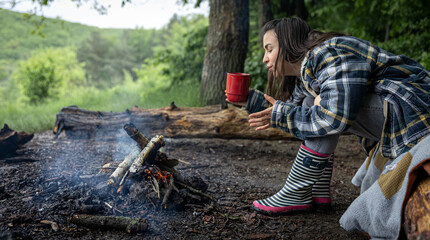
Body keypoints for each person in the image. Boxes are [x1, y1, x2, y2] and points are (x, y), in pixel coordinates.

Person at [233, 17, 430, 216]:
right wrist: (250, 100)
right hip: (398, 110)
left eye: (269, 49)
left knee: (318, 107)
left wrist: (293, 111)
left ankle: (296, 192)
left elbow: (334, 118)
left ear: (287, 43)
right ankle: (317, 190)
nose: (265, 58)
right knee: (311, 103)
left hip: (415, 111)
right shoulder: (309, 70)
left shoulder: (329, 53)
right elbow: (290, 109)